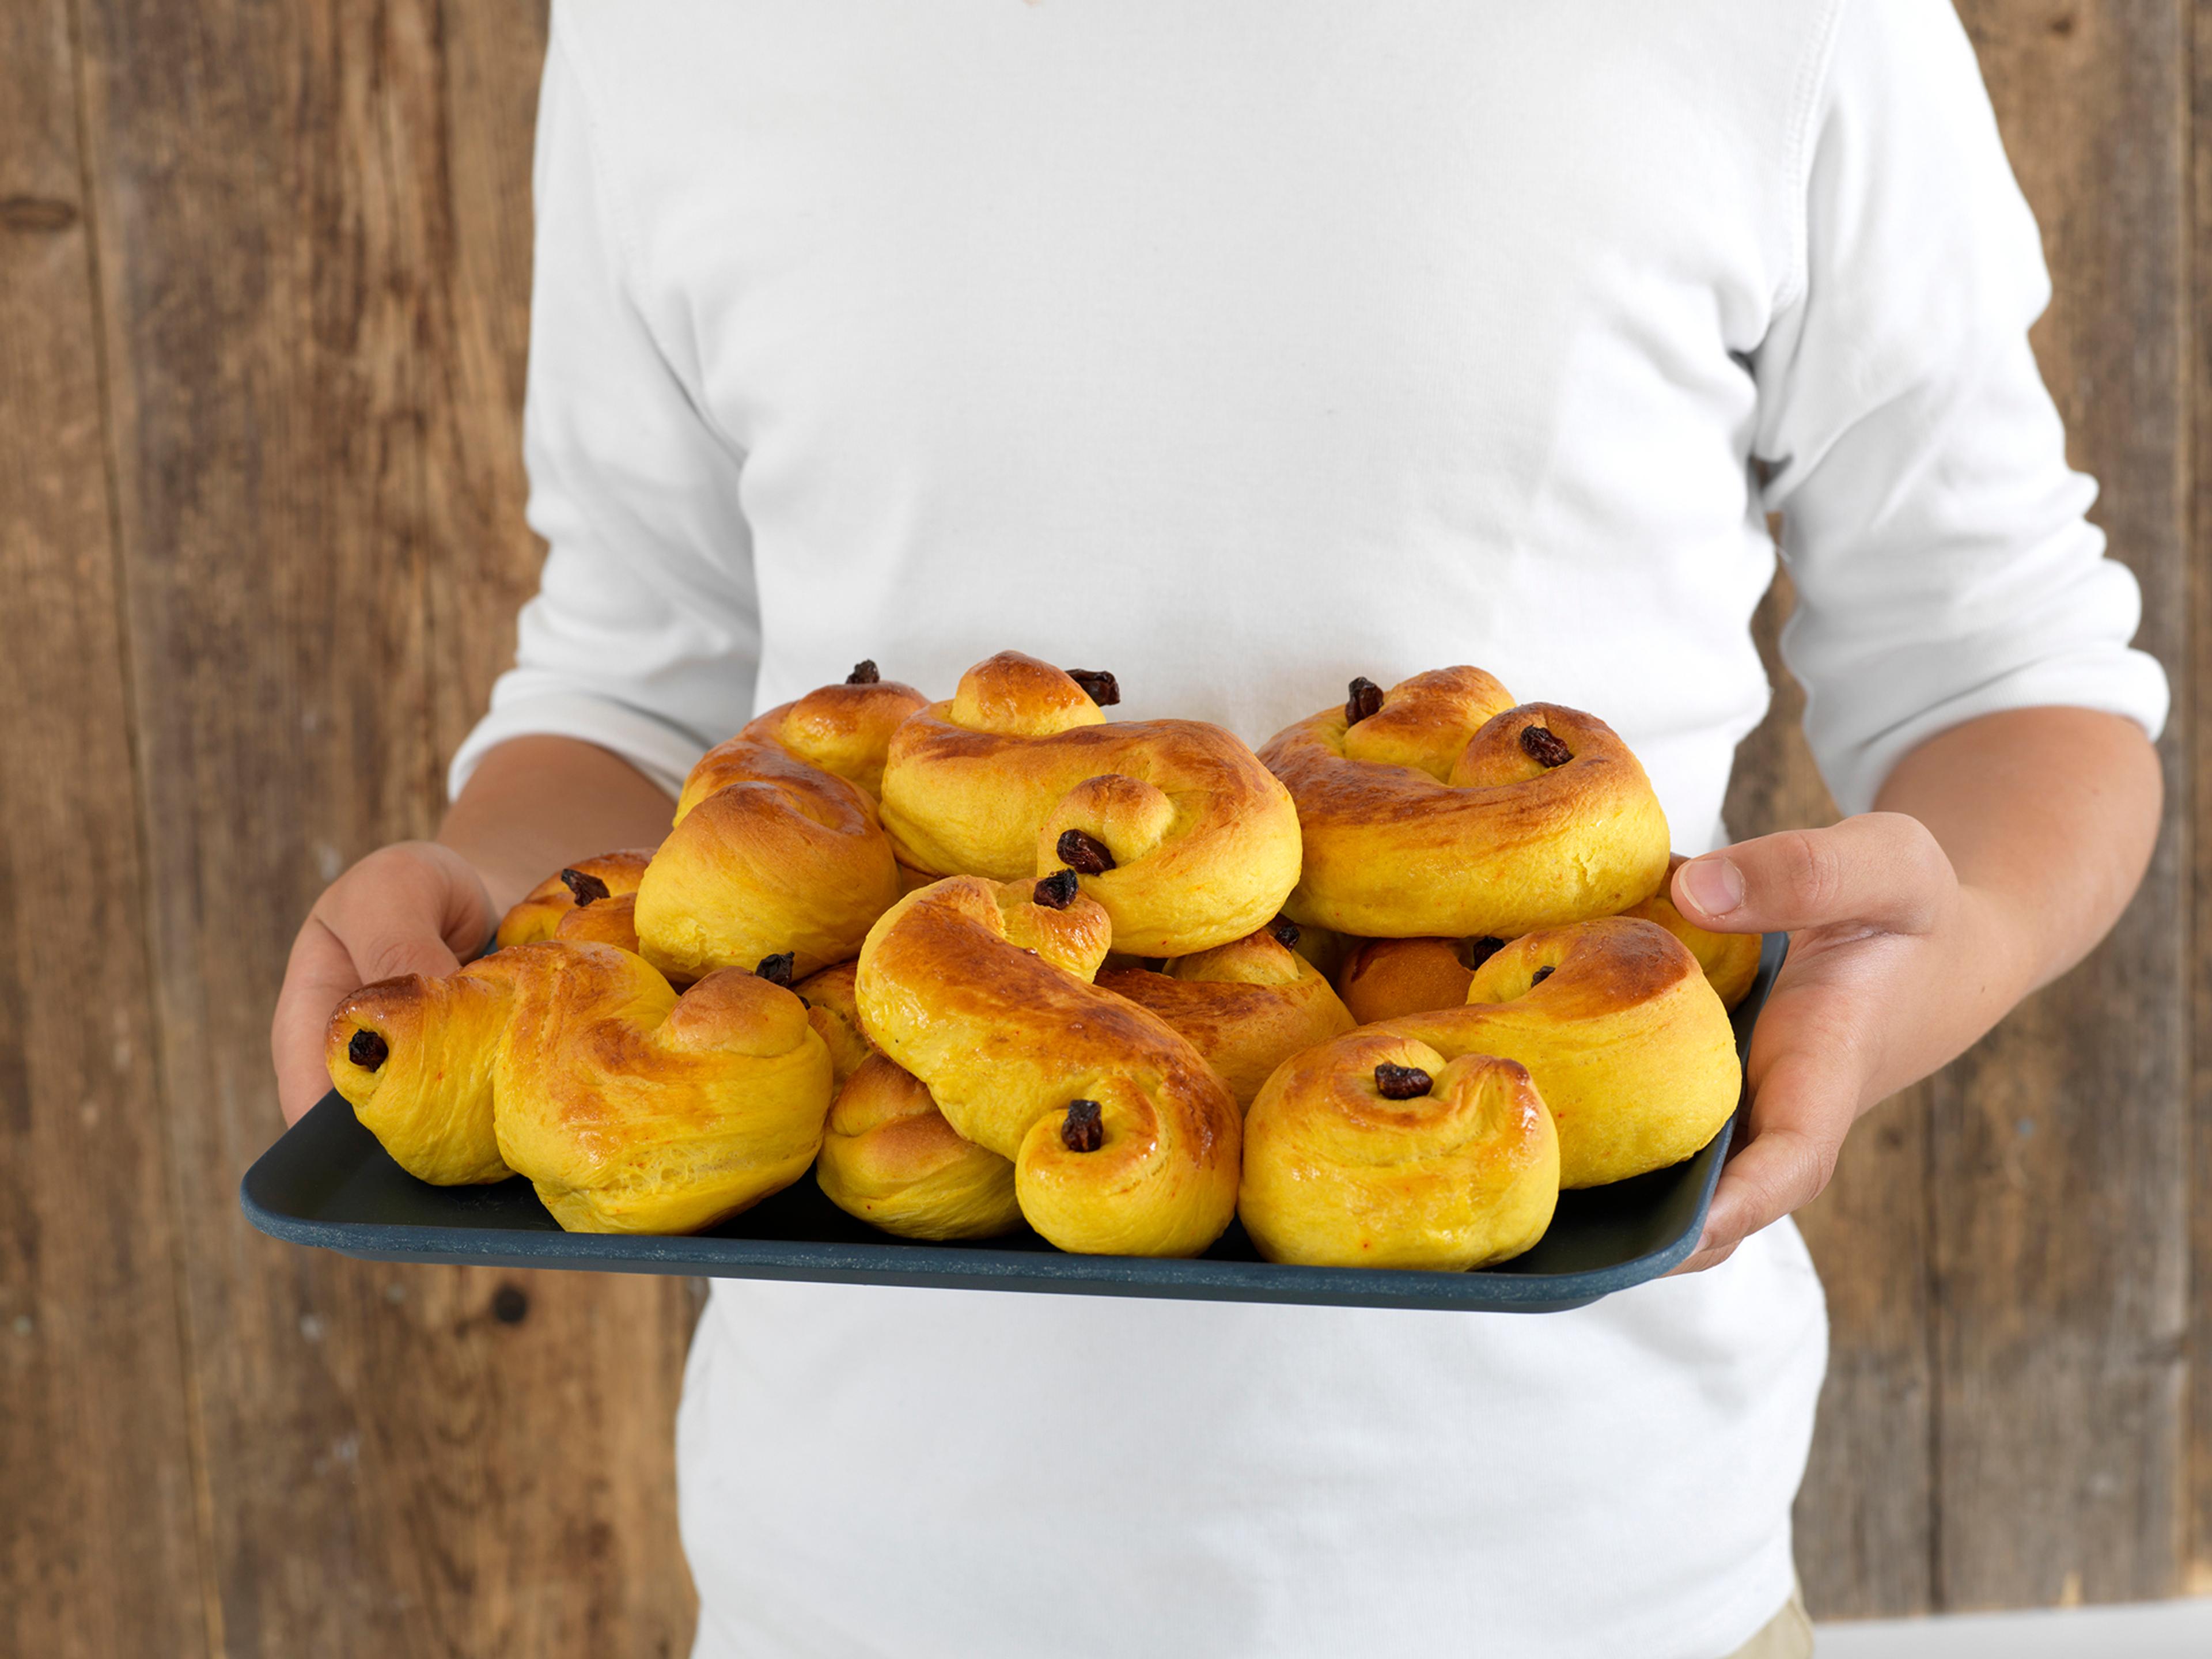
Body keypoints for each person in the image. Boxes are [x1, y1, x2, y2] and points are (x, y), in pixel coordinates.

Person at [268, 2, 2166, 1654]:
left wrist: (1942, 941)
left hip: (1586, 1572)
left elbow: (2009, 667)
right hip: (861, 1581)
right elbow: (636, 683)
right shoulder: (677, 23)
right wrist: (496, 919)